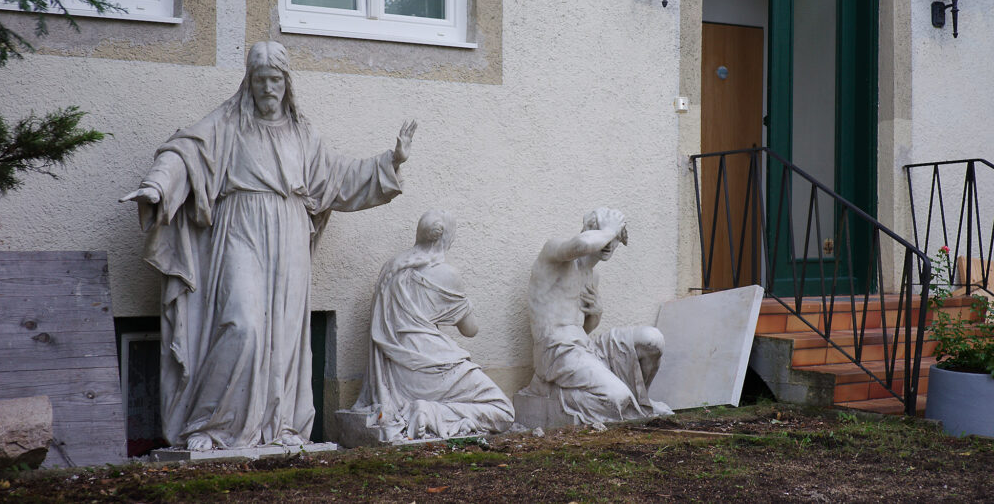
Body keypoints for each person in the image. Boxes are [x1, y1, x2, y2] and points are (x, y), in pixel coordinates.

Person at [120, 41, 416, 450]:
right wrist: (156, 186)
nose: (267, 88)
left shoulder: (302, 133)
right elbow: (185, 151)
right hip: (239, 227)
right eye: (260, 79)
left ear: (286, 83)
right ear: (249, 82)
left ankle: (278, 426)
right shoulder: (228, 123)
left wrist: (390, 162)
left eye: (275, 79)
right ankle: (211, 425)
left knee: (284, 333)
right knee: (242, 323)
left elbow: (339, 177)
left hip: (289, 232)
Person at [351, 209, 514, 439]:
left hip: (396, 374)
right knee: (503, 410)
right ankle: (431, 412)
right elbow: (470, 330)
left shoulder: (391, 269)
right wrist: (466, 303)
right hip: (433, 367)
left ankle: (426, 410)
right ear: (446, 237)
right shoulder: (447, 274)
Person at [522, 207, 671, 428]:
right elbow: (582, 245)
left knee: (652, 339)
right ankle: (564, 398)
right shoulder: (554, 253)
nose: (610, 243)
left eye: (616, 237)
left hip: (586, 347)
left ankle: (642, 401)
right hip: (557, 351)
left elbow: (583, 329)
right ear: (589, 231)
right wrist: (610, 229)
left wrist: (596, 314)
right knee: (617, 398)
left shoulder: (592, 276)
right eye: (604, 234)